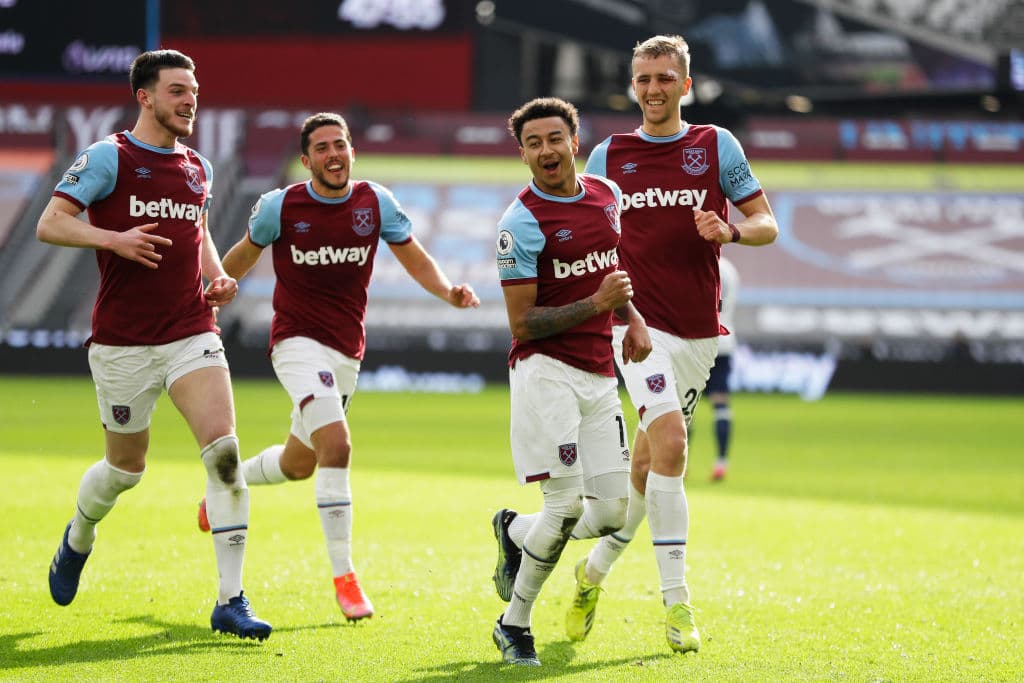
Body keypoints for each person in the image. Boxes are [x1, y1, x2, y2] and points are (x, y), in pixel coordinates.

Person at [197, 112, 479, 622]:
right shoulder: (280, 207)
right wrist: (211, 295)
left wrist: (447, 291)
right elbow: (240, 256)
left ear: (352, 152)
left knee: (298, 463)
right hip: (295, 342)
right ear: (306, 161)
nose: (333, 155)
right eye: (322, 148)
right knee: (339, 443)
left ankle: (223, 487)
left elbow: (413, 256)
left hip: (346, 352)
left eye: (340, 145)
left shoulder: (376, 202)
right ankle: (346, 578)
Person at [37, 49, 271, 640]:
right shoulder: (108, 157)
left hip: (191, 329)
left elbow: (196, 233)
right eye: (177, 91)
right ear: (144, 96)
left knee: (224, 453)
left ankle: (230, 600)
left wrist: (216, 275)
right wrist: (114, 239)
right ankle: (78, 537)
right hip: (121, 341)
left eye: (194, 89)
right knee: (125, 469)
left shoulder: (198, 166)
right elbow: (52, 222)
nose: (190, 100)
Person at [565, 34, 778, 653]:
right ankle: (678, 606)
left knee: (647, 467)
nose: (653, 89)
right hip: (635, 327)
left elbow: (767, 223)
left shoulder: (716, 146)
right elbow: (578, 234)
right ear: (632, 86)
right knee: (674, 444)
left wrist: (732, 231)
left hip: (698, 333)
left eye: (664, 78)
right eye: (643, 79)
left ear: (686, 85)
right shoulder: (609, 156)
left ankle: (592, 573)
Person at [490, 97, 651, 667]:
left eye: (553, 139)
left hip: (599, 371)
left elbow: (611, 272)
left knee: (611, 512)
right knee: (562, 505)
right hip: (545, 372)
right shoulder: (521, 223)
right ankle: (515, 625)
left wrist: (630, 319)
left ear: (574, 141)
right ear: (523, 153)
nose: (545, 151)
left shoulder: (607, 197)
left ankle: (513, 533)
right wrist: (598, 304)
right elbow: (522, 322)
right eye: (532, 143)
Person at [707, 255, 739, 482]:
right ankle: (721, 462)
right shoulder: (730, 269)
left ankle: (681, 463)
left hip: (698, 341)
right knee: (721, 403)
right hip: (725, 341)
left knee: (684, 406)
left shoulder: (699, 263)